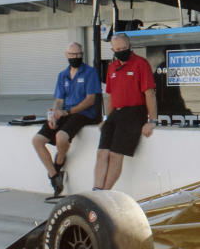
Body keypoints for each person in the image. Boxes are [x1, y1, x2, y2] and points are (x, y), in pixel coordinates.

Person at [32, 42, 102, 196]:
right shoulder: (62, 75)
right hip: (65, 112)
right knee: (37, 140)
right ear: (66, 55)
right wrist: (54, 115)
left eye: (78, 54)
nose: (75, 57)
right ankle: (54, 175)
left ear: (82, 54)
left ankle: (59, 161)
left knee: (61, 137)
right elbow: (58, 100)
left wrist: (67, 112)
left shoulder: (90, 73)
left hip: (83, 114)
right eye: (72, 54)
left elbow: (90, 100)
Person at [93, 32, 158, 190]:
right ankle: (96, 190)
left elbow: (149, 93)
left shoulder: (141, 64)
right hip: (116, 113)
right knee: (102, 153)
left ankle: (105, 193)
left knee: (116, 154)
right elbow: (110, 95)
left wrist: (152, 121)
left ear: (129, 46)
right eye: (117, 49)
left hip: (134, 113)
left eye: (124, 47)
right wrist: (107, 118)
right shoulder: (112, 67)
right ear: (113, 49)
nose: (121, 50)